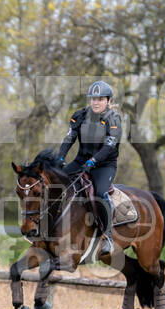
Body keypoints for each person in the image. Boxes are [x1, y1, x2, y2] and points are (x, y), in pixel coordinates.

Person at [58, 80, 122, 256]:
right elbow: (69, 139)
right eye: (93, 99)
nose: (95, 102)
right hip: (81, 161)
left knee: (100, 193)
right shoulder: (79, 116)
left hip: (104, 165)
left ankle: (107, 236)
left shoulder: (113, 119)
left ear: (108, 101)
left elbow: (109, 146)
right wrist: (60, 157)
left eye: (100, 99)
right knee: (54, 183)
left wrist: (93, 161)